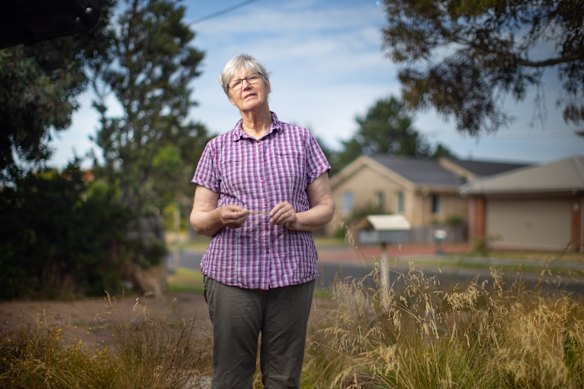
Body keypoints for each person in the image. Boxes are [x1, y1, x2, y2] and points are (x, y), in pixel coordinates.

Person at [189, 54, 335, 388]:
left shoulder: (302, 140)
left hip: (291, 275)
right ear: (229, 97)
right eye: (235, 82)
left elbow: (325, 208)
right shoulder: (216, 149)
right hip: (232, 275)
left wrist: (296, 219)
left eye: (252, 77)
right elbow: (198, 219)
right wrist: (218, 216)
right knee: (231, 376)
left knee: (283, 378)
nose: (245, 85)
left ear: (266, 84)